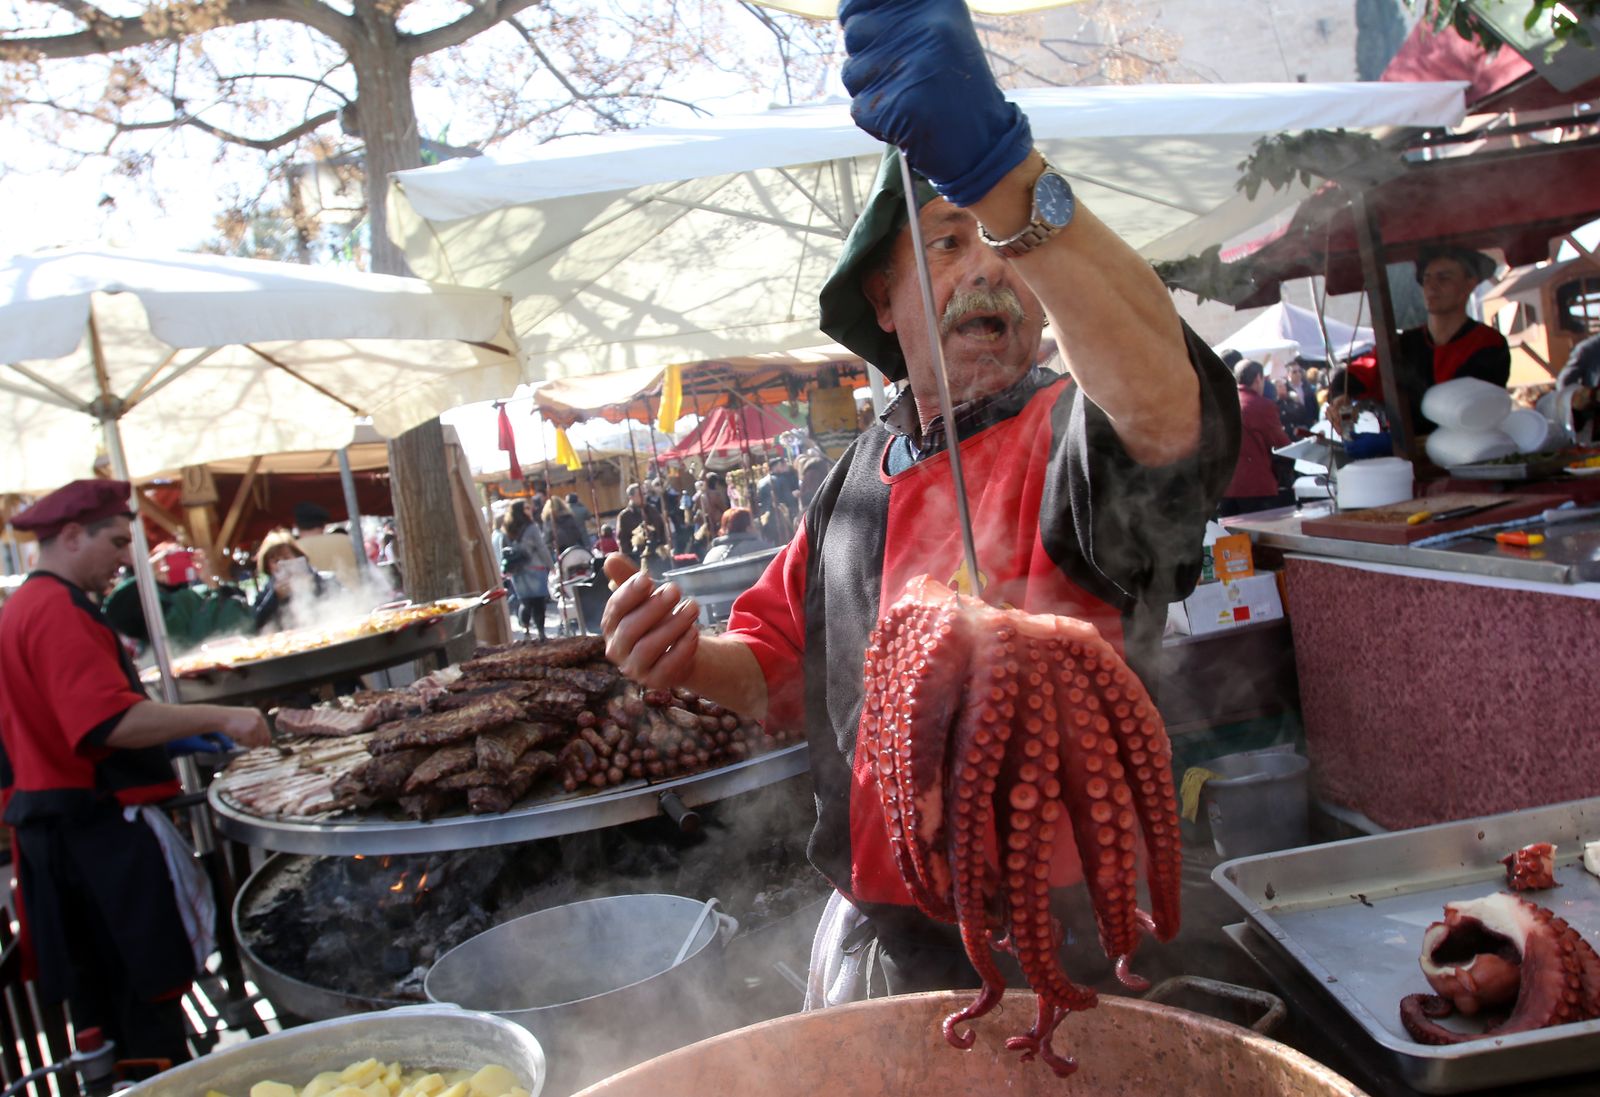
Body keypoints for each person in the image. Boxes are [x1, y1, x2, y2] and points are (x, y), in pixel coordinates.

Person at [602, 0, 1237, 999]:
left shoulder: (1073, 427)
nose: (989, 260)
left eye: (1003, 245)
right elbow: (777, 670)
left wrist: (1003, 178)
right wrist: (685, 657)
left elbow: (1164, 410)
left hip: (1075, 935)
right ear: (882, 304)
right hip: (895, 929)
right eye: (947, 242)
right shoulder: (851, 484)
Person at [0, 480, 270, 1064]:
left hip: (69, 837)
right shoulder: (55, 610)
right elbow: (104, 725)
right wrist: (224, 713)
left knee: (112, 1012)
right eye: (118, 541)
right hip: (96, 842)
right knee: (144, 1008)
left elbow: (63, 725)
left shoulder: (27, 605)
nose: (127, 558)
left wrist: (180, 735)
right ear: (71, 536)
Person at [1328, 247, 1510, 434]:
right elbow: (1359, 372)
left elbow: (1468, 404)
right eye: (1426, 278)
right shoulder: (1402, 345)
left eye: (1443, 278)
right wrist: (1340, 397)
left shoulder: (1489, 343)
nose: (1431, 286)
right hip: (1407, 457)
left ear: (1469, 284)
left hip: (1472, 451)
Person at [1221, 360, 1292, 517]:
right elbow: (1282, 445)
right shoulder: (1261, 406)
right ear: (1258, 378)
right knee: (1261, 540)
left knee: (1230, 540)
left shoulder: (1221, 402)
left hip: (1224, 487)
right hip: (1256, 488)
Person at [252, 530, 339, 634]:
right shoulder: (265, 596)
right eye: (275, 561)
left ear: (298, 556)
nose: (281, 563)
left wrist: (314, 584)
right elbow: (255, 625)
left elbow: (343, 604)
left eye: (286, 557)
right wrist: (274, 598)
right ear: (268, 567)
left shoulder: (326, 579)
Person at [500, 502, 553, 639]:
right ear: (521, 511)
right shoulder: (532, 527)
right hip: (535, 568)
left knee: (525, 601)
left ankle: (526, 630)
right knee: (538, 602)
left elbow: (504, 551)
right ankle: (541, 632)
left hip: (517, 571)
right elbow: (541, 547)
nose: (531, 510)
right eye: (527, 508)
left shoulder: (507, 529)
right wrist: (550, 565)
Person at [292, 501, 361, 589]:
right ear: (324, 525)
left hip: (314, 601)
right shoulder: (346, 540)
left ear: (296, 526)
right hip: (356, 598)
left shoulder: (293, 548)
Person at [616, 483, 669, 571]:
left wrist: (664, 546)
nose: (644, 497)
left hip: (657, 556)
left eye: (644, 494)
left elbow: (662, 529)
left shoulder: (652, 510)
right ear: (631, 497)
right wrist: (630, 558)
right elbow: (623, 541)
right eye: (640, 494)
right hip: (639, 558)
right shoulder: (625, 516)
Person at [700, 508, 774, 564]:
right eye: (753, 524)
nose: (756, 527)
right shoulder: (763, 549)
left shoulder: (711, 555)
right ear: (748, 528)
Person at [1276, 361, 1319, 432]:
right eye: (1294, 372)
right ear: (1288, 374)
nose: (1298, 374)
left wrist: (1316, 419)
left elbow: (1314, 403)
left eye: (1299, 371)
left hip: (1312, 424)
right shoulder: (1286, 389)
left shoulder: (1306, 385)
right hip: (1298, 428)